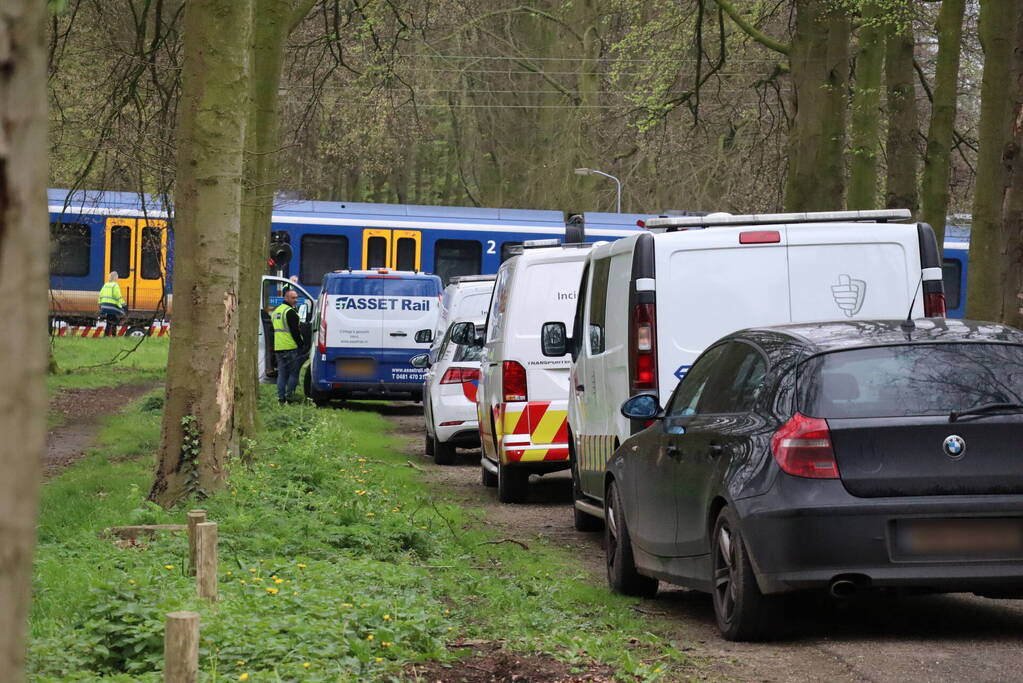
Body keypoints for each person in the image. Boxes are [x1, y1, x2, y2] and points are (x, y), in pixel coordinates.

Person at [271, 289, 306, 404]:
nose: (295, 300)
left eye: (296, 297)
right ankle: (290, 397)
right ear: (286, 298)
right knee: (294, 373)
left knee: (282, 374)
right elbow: (295, 332)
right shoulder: (290, 312)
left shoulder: (276, 311)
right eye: (293, 298)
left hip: (278, 347)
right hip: (290, 347)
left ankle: (281, 399)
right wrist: (302, 345)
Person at [98, 271, 127, 336]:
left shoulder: (105, 285)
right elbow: (118, 297)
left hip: (104, 306)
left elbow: (100, 295)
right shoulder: (115, 285)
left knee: (109, 320)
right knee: (119, 314)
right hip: (112, 307)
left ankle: (106, 335)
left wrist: (100, 305)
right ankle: (114, 335)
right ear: (116, 278)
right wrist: (124, 305)